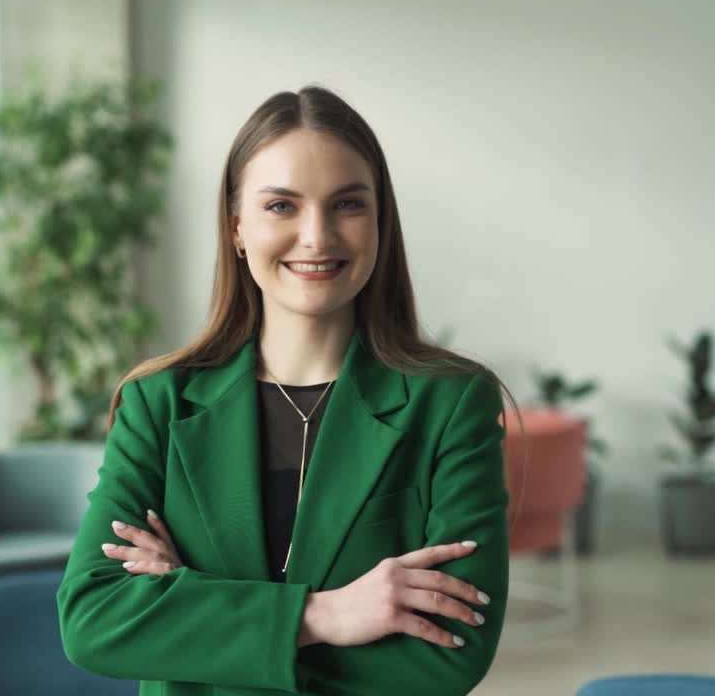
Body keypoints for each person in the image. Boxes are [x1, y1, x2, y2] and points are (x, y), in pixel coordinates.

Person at [58, 84, 516, 696]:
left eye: (348, 204)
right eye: (282, 206)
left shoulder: (452, 405)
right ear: (237, 226)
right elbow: (92, 620)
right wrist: (324, 616)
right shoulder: (158, 404)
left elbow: (450, 657)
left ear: (381, 222)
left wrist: (191, 608)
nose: (318, 236)